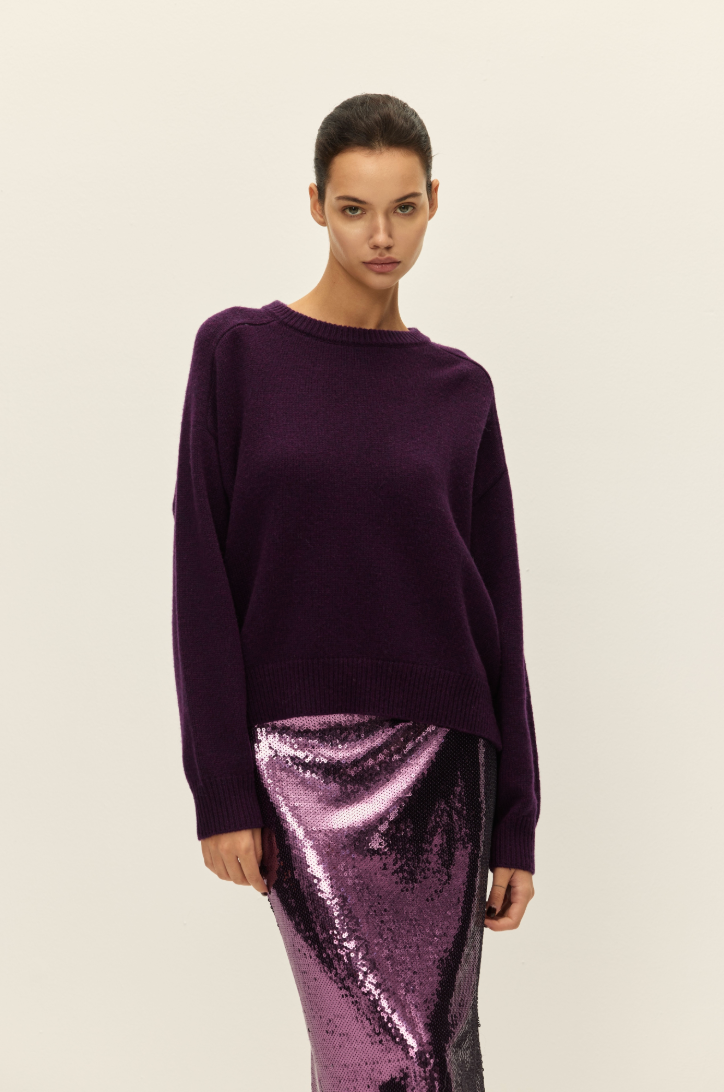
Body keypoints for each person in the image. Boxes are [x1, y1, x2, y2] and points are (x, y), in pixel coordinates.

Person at [172, 92, 540, 1092]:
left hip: (444, 768)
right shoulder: (238, 354)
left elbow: (499, 611)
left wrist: (516, 817)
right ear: (315, 205)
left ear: (433, 204)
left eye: (404, 208)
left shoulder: (459, 390)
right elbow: (201, 579)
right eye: (354, 209)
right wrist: (221, 787)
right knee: (367, 1055)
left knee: (428, 1053)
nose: (382, 236)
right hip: (294, 767)